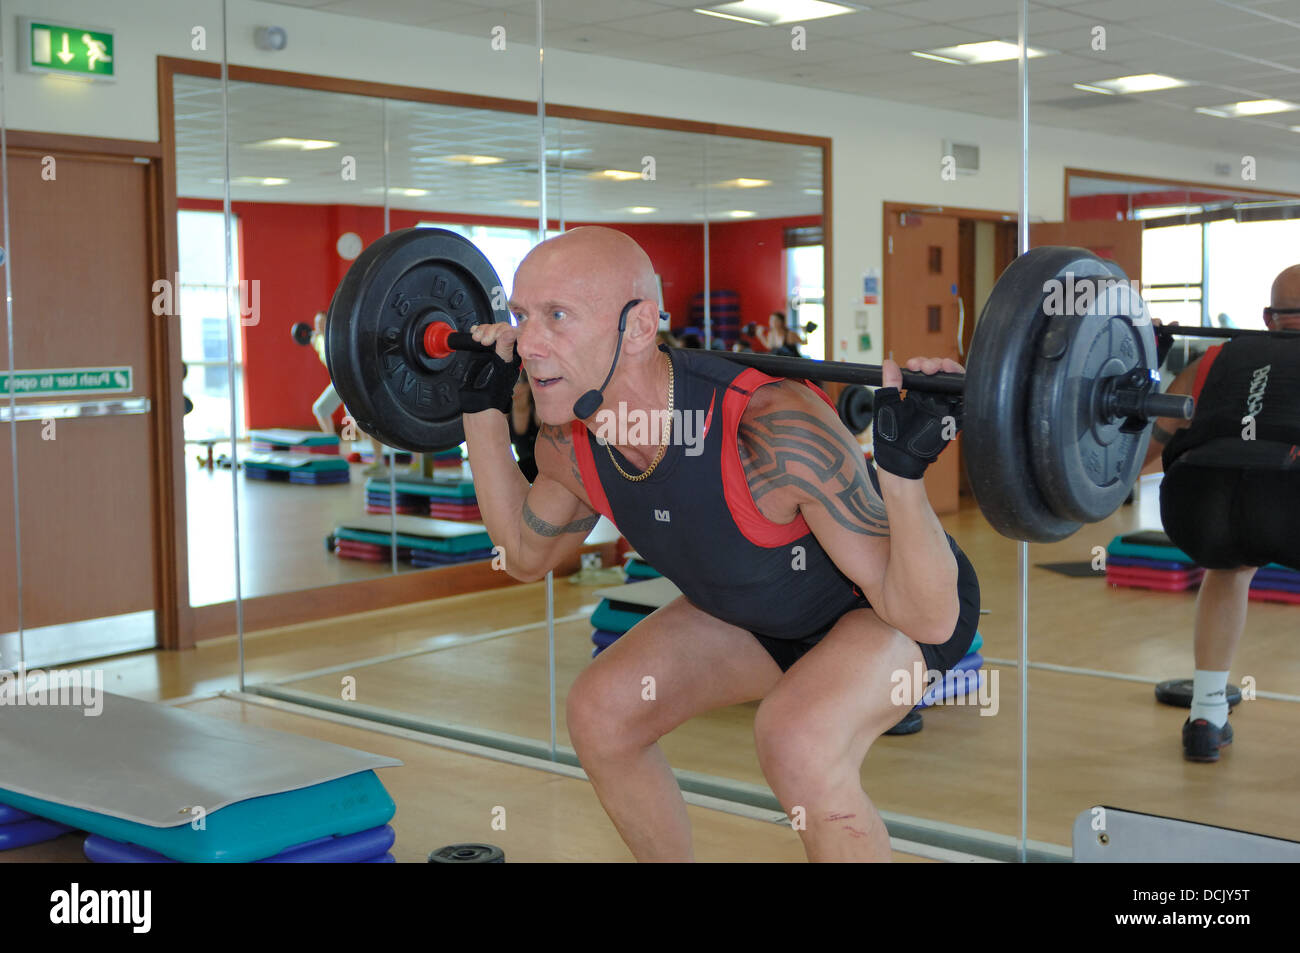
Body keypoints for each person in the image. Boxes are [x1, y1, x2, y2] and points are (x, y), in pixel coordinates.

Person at [459, 226, 980, 862]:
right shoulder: (571, 443)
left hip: (892, 598)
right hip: (757, 612)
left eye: (558, 316)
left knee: (797, 738)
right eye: (521, 316)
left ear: (640, 326)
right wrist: (479, 406)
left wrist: (902, 476)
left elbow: (927, 616)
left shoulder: (772, 429)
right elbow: (521, 556)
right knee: (603, 712)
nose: (529, 343)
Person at [1143, 264, 1300, 762]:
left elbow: (1137, 455)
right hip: (1288, 505)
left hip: (1196, 508)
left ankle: (1207, 718)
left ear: (1267, 318)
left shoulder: (1213, 358)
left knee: (1227, 571)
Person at [307, 310, 388, 475]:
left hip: (350, 379)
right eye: (317, 323)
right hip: (340, 381)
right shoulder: (320, 340)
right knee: (345, 413)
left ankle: (375, 456)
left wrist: (316, 341)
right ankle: (337, 448)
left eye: (322, 322)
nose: (319, 326)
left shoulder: (332, 338)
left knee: (362, 417)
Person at [508, 369, 541, 483]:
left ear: (528, 386)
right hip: (523, 472)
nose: (513, 388)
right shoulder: (507, 414)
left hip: (546, 470)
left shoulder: (539, 409)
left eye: (517, 383)